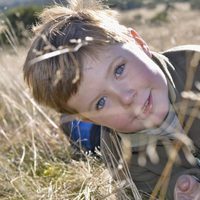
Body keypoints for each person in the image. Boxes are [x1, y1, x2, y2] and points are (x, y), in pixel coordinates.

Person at [23, 0, 200, 199]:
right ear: (90, 117)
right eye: (101, 102)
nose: (125, 98)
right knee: (89, 140)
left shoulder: (195, 65)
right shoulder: (120, 159)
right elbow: (145, 188)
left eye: (119, 70)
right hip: (108, 133)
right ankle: (74, 126)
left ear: (139, 44)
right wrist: (178, 188)